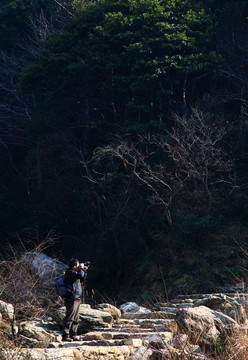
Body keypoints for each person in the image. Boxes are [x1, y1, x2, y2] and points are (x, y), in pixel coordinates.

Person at [62, 258, 90, 341]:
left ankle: (73, 334)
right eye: (78, 265)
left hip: (77, 297)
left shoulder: (76, 273)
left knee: (76, 318)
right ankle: (65, 335)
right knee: (70, 317)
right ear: (74, 266)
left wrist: (84, 270)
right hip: (71, 297)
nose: (79, 266)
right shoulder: (70, 272)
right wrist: (81, 269)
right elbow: (80, 275)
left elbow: (82, 278)